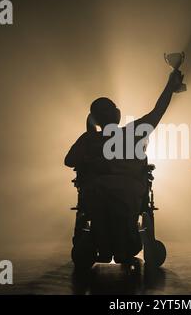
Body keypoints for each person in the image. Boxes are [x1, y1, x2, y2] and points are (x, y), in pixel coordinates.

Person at [65, 70, 184, 263]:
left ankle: (103, 243)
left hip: (96, 193)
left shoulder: (88, 139)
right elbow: (158, 111)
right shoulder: (132, 132)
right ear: (116, 114)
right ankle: (125, 243)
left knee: (99, 214)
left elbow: (69, 161)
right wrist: (171, 85)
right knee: (125, 213)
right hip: (128, 193)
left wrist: (91, 135)